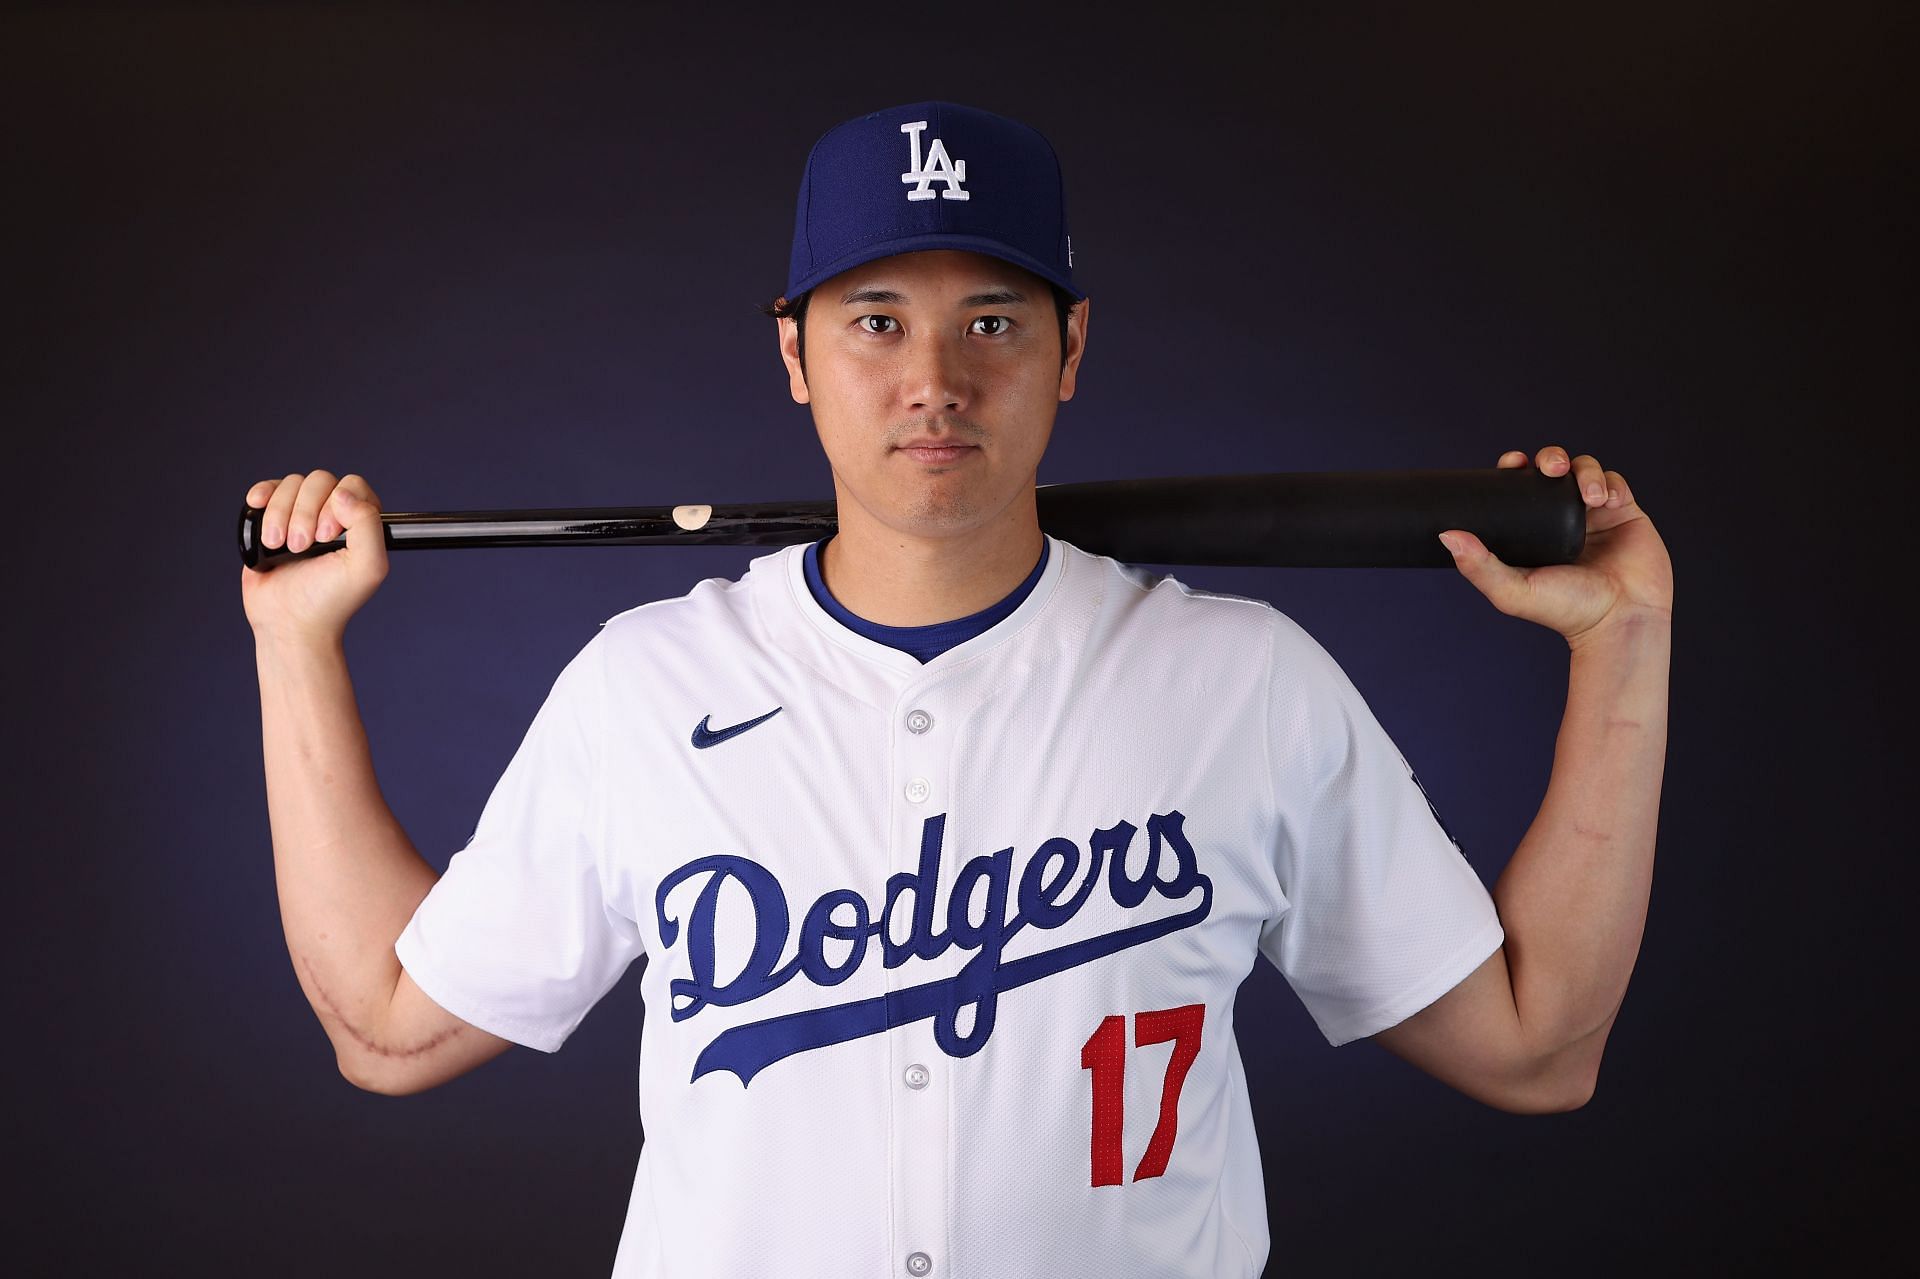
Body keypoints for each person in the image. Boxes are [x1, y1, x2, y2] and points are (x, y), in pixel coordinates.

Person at [242, 101, 1673, 1279]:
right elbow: (389, 1032)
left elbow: (1536, 1050)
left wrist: (1625, 644)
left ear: (1073, 350)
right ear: (794, 353)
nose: (933, 380)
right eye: (875, 321)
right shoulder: (647, 685)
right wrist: (294, 646)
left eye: (991, 322)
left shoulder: (1245, 683)